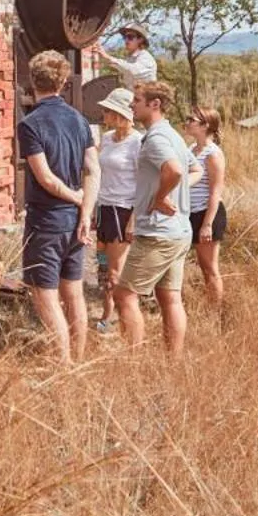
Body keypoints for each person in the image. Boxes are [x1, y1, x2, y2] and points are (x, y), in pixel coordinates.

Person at [17, 51, 98, 364]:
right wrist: (86, 211)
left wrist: (76, 199)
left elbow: (46, 179)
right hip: (76, 222)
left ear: (31, 81)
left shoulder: (30, 124)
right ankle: (77, 362)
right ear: (63, 82)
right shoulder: (79, 119)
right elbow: (93, 169)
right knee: (74, 294)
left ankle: (62, 368)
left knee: (45, 296)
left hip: (46, 223)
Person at [110, 81, 194, 354]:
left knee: (124, 295)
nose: (131, 105)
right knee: (170, 297)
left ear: (154, 104)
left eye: (136, 100)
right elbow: (190, 169)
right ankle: (174, 361)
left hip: (159, 232)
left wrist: (158, 198)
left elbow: (175, 171)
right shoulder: (173, 136)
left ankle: (132, 361)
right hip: (178, 230)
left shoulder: (157, 138)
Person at [90, 87, 140, 334]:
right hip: (104, 209)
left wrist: (134, 220)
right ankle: (106, 314)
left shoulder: (137, 142)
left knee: (115, 270)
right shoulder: (107, 138)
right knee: (101, 265)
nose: (103, 114)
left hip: (123, 210)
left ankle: (122, 318)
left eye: (107, 110)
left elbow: (145, 183)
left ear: (120, 113)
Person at [182, 105, 228, 326]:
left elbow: (215, 192)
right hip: (189, 213)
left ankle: (215, 314)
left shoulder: (213, 153)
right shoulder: (191, 149)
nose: (188, 122)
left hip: (206, 214)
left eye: (192, 119)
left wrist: (207, 225)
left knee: (209, 268)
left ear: (205, 125)